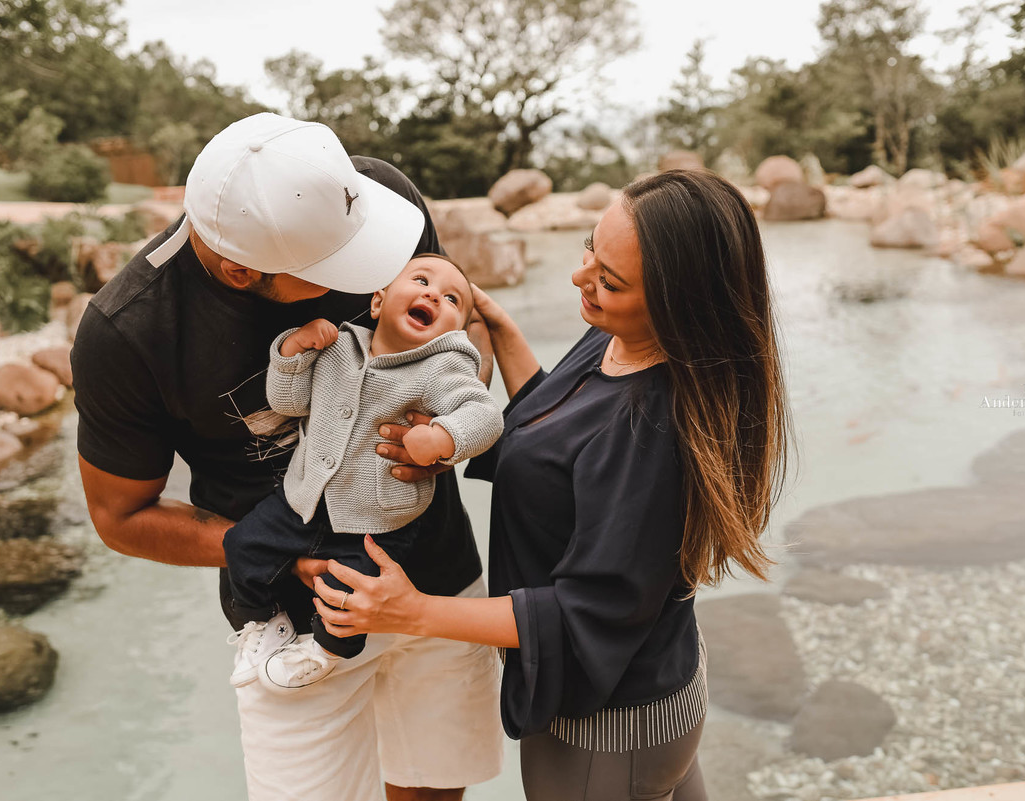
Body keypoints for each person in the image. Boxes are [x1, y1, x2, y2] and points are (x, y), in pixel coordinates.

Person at [312, 169, 794, 801]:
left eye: (609, 280)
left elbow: (581, 614)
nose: (580, 276)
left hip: (610, 730)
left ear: (677, 303)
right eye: (589, 248)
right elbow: (562, 423)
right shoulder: (622, 338)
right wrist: (500, 326)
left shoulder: (652, 432)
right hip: (663, 678)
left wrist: (415, 612)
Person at [71, 113, 503, 801]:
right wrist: (283, 555)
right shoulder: (129, 332)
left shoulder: (376, 198)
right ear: (242, 269)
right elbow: (122, 517)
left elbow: (457, 335)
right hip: (291, 627)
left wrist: (442, 436)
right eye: (341, 267)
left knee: (434, 790)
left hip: (437, 584)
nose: (376, 269)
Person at [224, 254, 502, 692]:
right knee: (240, 545)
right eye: (421, 280)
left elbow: (485, 416)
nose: (433, 293)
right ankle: (262, 623)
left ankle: (326, 651)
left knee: (349, 596)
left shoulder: (441, 369)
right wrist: (292, 351)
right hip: (301, 499)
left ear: (453, 333)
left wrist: (444, 436)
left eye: (451, 298)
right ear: (378, 301)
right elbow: (288, 403)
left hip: (378, 519)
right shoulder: (337, 347)